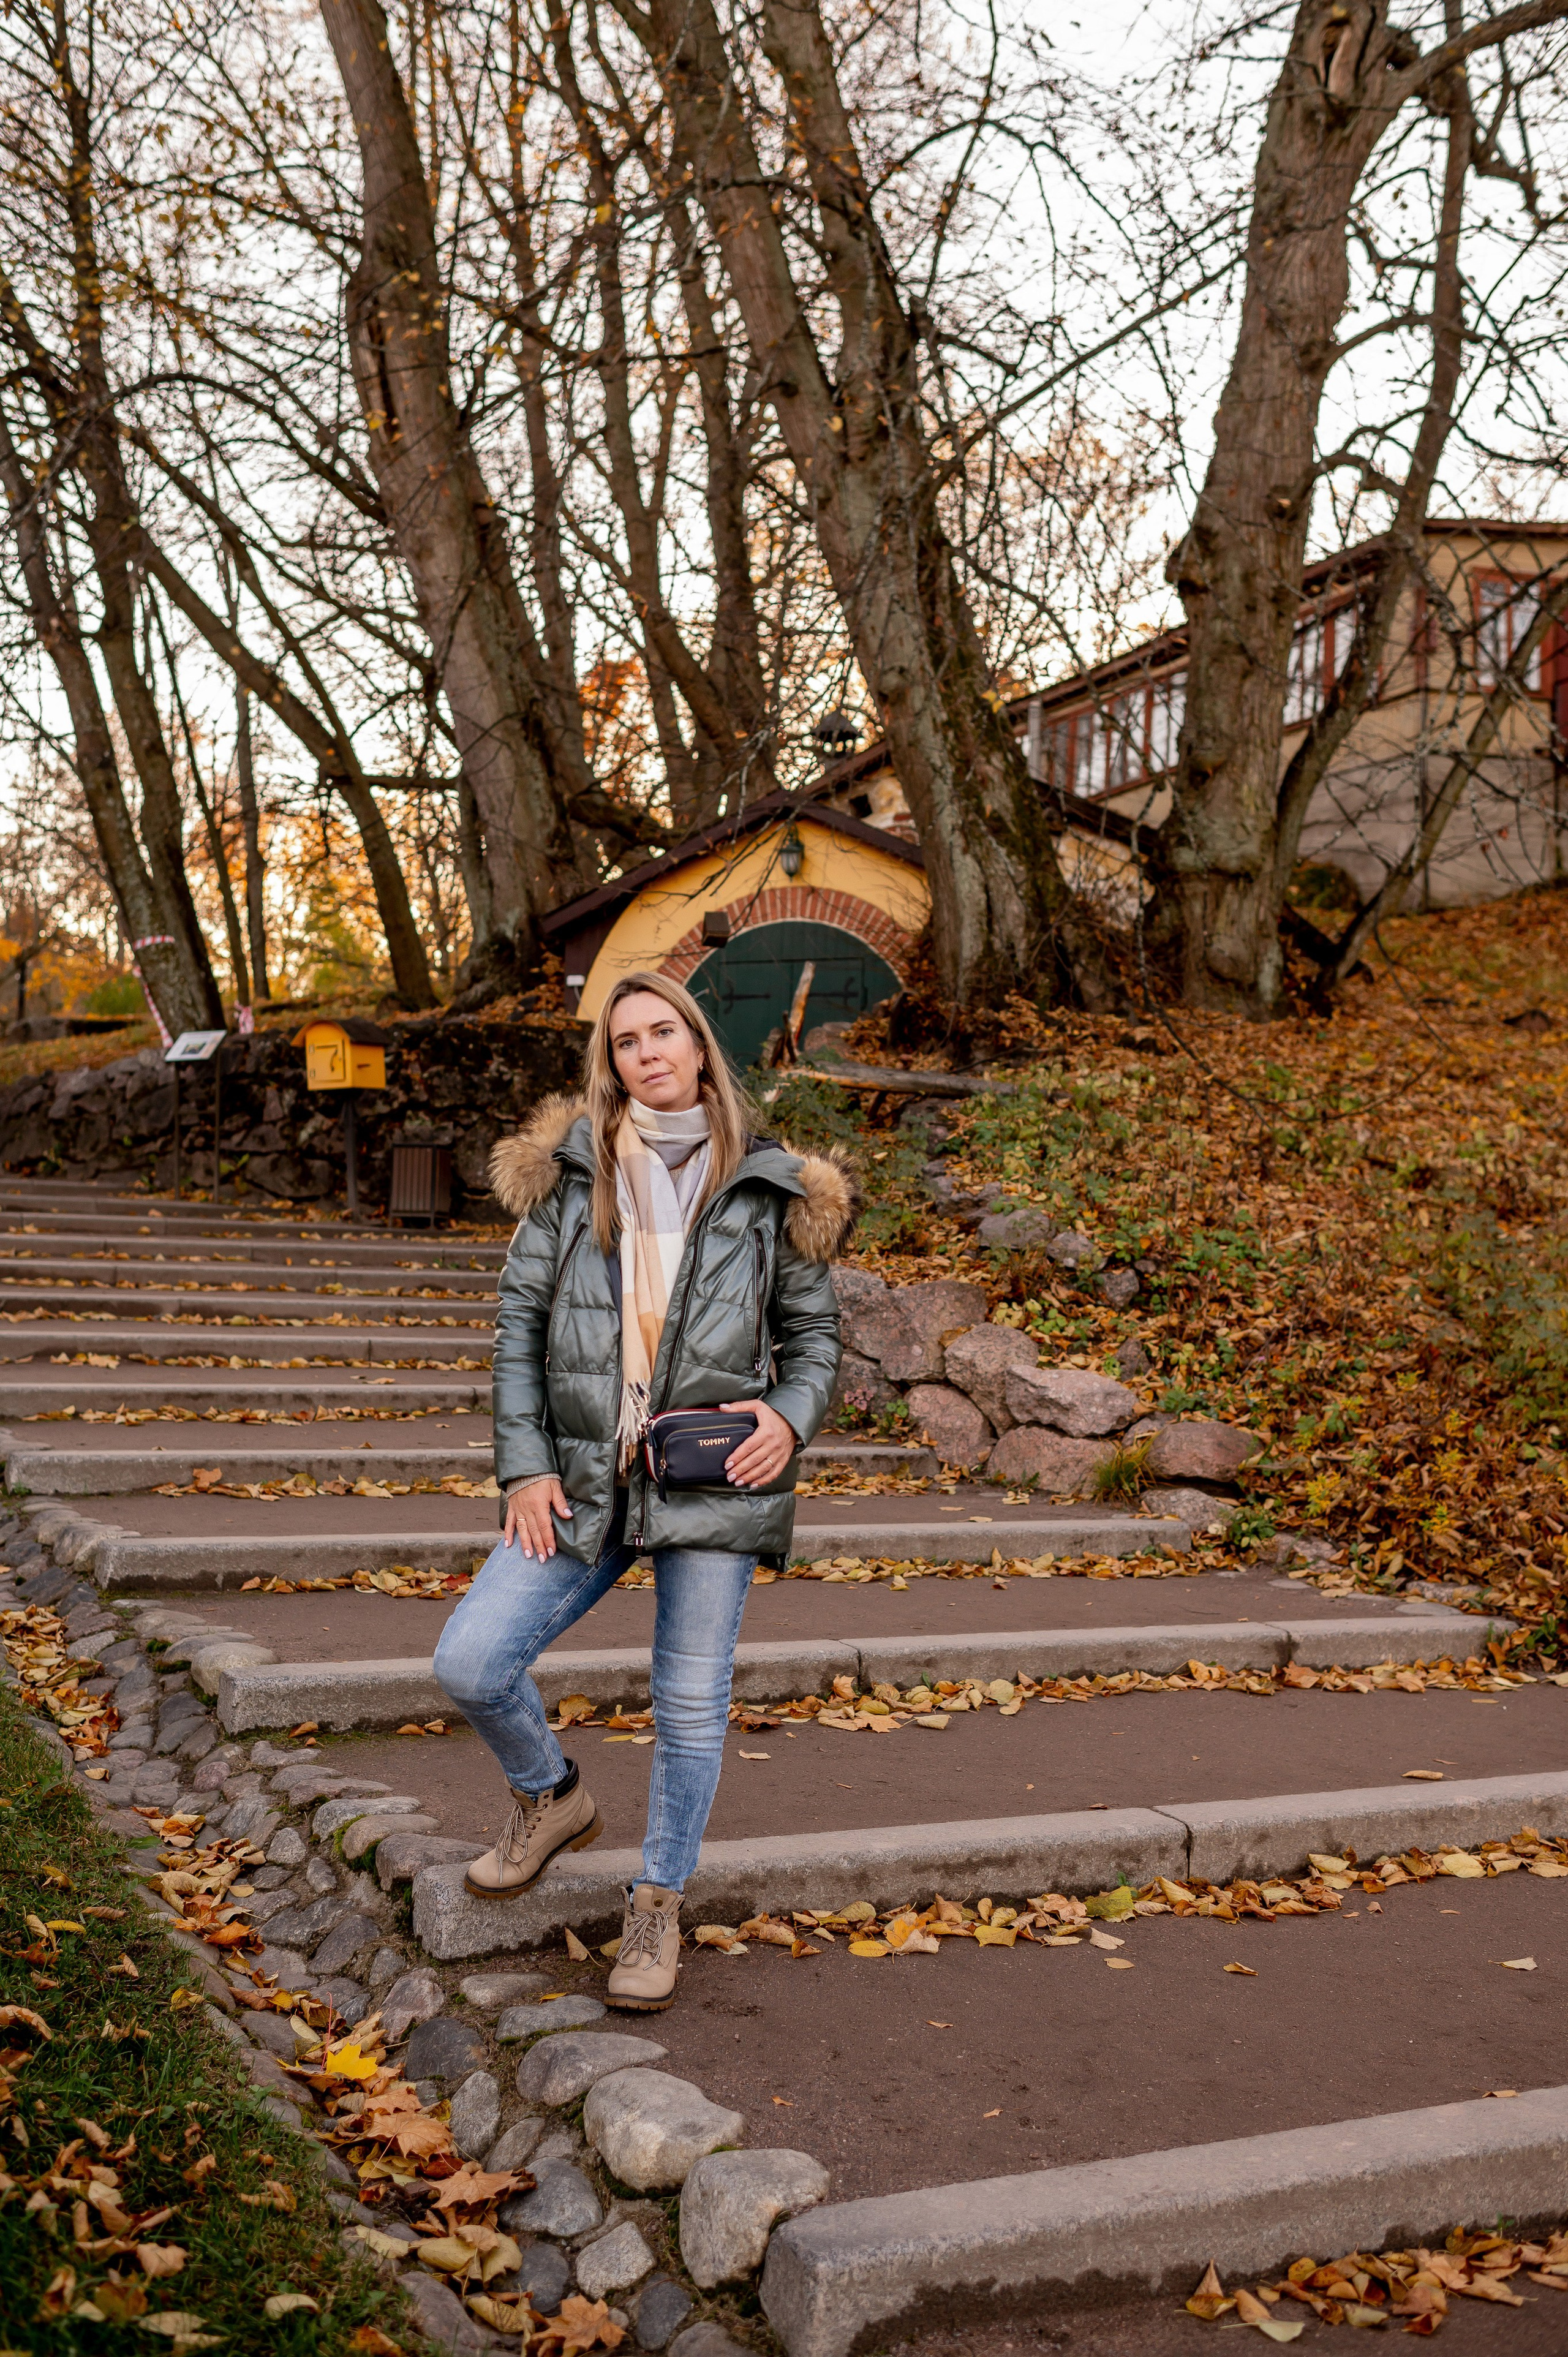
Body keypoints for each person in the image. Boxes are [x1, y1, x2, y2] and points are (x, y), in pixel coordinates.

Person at [433, 970, 853, 2012]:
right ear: (609, 1063)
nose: (648, 1052)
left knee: (692, 1704)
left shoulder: (768, 1186)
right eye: (627, 1041)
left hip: (711, 1475)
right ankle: (552, 1800)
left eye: (665, 1032)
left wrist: (789, 1417)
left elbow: (816, 1336)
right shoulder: (572, 1177)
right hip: (582, 1471)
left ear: (702, 1047)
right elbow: (517, 1335)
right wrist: (525, 1466)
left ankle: (657, 1900)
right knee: (472, 1659)